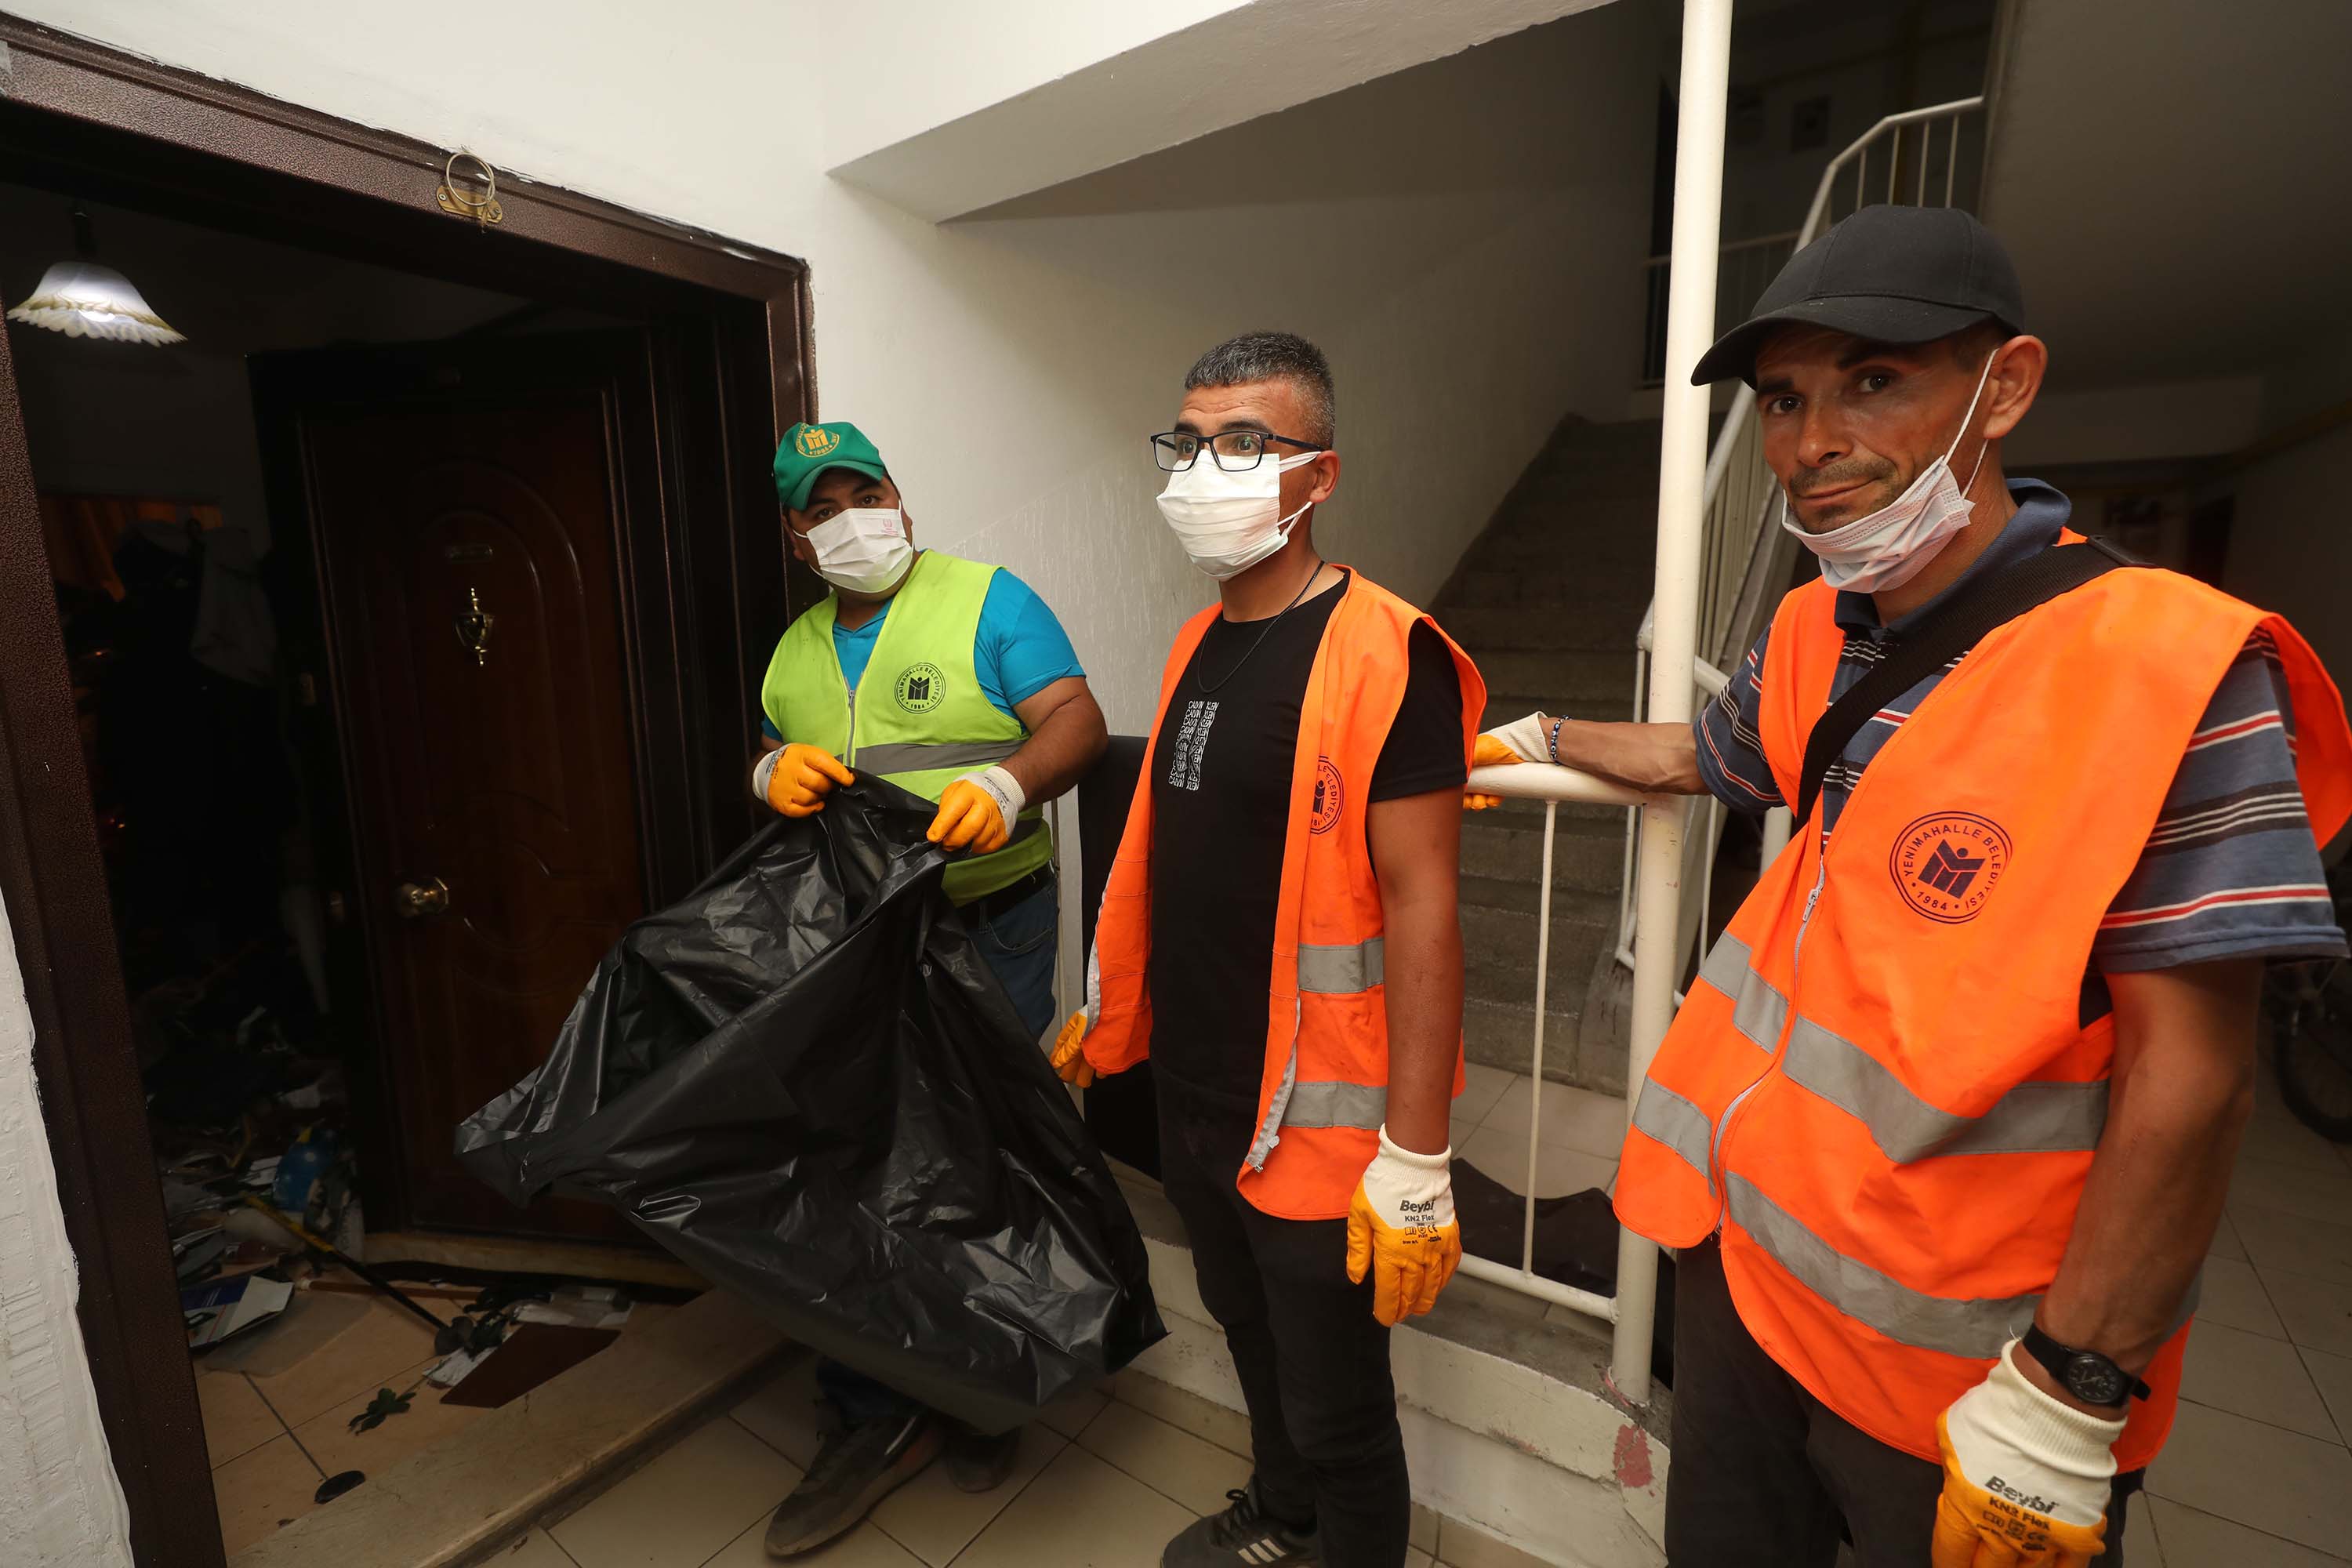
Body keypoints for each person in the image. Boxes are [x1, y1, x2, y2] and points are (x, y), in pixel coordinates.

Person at [1481, 205, 2352, 1566]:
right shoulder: (1813, 628)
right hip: (1747, 1273)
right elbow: (1716, 755)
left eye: (1873, 380)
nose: (1811, 442)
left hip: (1964, 1359)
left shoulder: (2167, 664)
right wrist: (1540, 738)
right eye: (1785, 399)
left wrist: (2068, 1391)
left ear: (2004, 388)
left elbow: (2193, 1080)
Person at [1050, 332, 1486, 1568]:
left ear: (1319, 476)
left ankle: (1340, 1536)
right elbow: (1170, 857)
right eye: (1188, 442)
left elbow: (1425, 905)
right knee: (1244, 1330)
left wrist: (1417, 1157)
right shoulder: (1199, 641)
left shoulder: (1386, 648)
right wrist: (1114, 1008)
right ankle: (1285, 1517)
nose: (1205, 468)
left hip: (1322, 1112)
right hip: (1199, 1085)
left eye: (1244, 442)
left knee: (1339, 1401)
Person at [750, 419, 1109, 1557]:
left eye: (865, 494)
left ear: (899, 499)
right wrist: (766, 768)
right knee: (856, 1160)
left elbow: (1077, 723)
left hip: (993, 924)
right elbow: (779, 753)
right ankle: (868, 1414)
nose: (851, 520)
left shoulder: (989, 600)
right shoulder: (795, 652)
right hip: (859, 942)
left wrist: (1008, 785)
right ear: (798, 539)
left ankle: (984, 1390)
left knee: (981, 1154)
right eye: (822, 509)